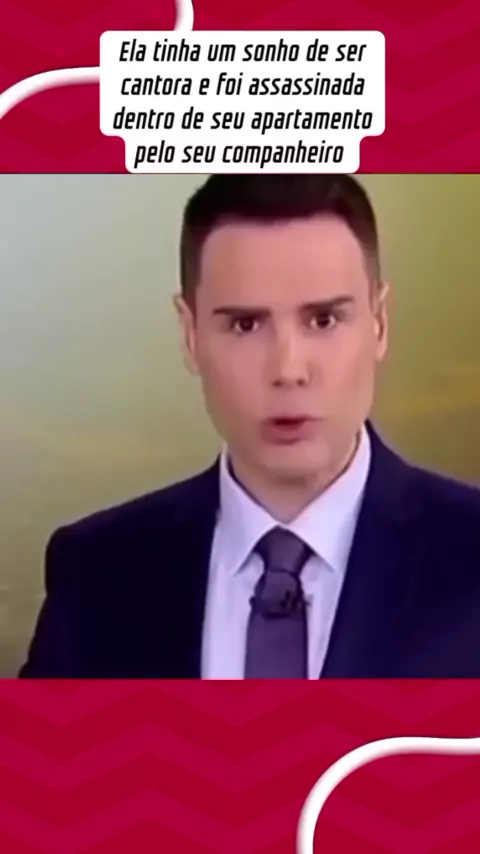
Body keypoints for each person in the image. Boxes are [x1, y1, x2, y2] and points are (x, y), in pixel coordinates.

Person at [19, 173, 480, 680]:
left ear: (379, 324)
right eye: (245, 324)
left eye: (323, 320)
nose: (288, 369)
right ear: (190, 334)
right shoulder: (96, 575)